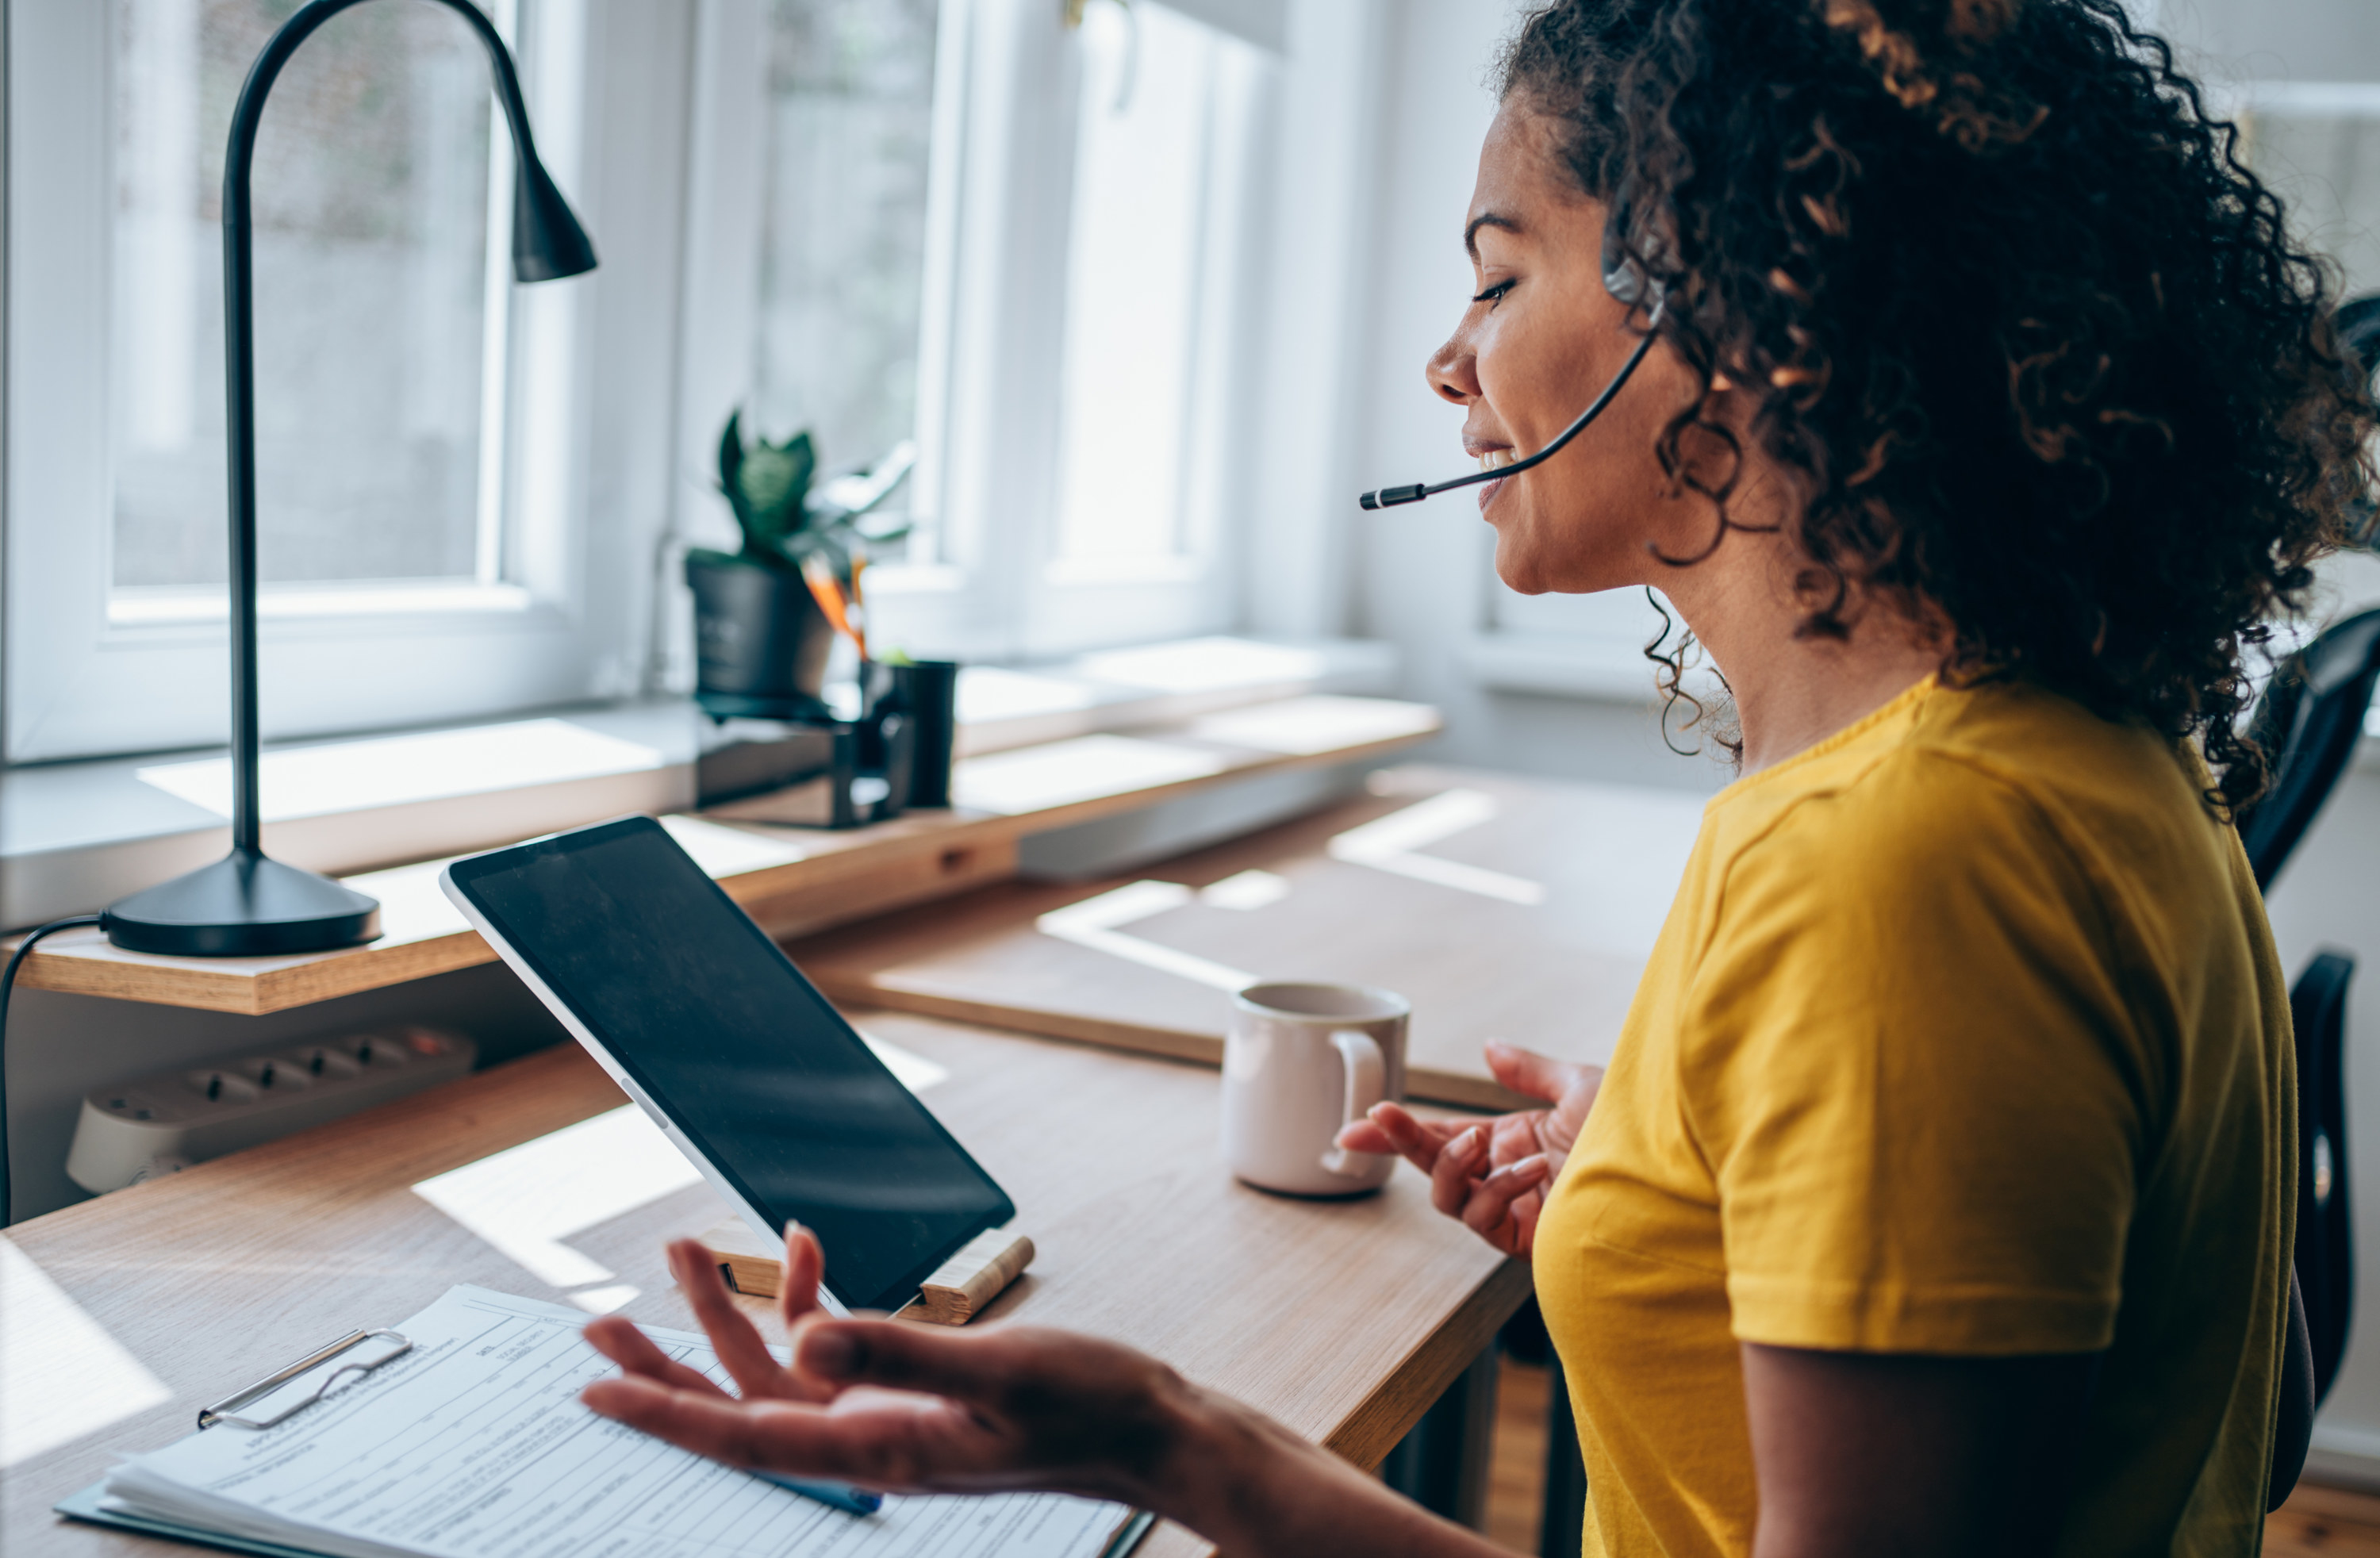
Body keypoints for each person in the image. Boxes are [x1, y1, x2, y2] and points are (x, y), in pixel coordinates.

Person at [582, 0, 2374, 1552]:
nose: (1452, 358)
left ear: (1738, 300)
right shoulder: (2108, 763)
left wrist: (1177, 1439)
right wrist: (1700, 1173)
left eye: (1501, 275)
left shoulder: (1900, 867)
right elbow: (2241, 1387)